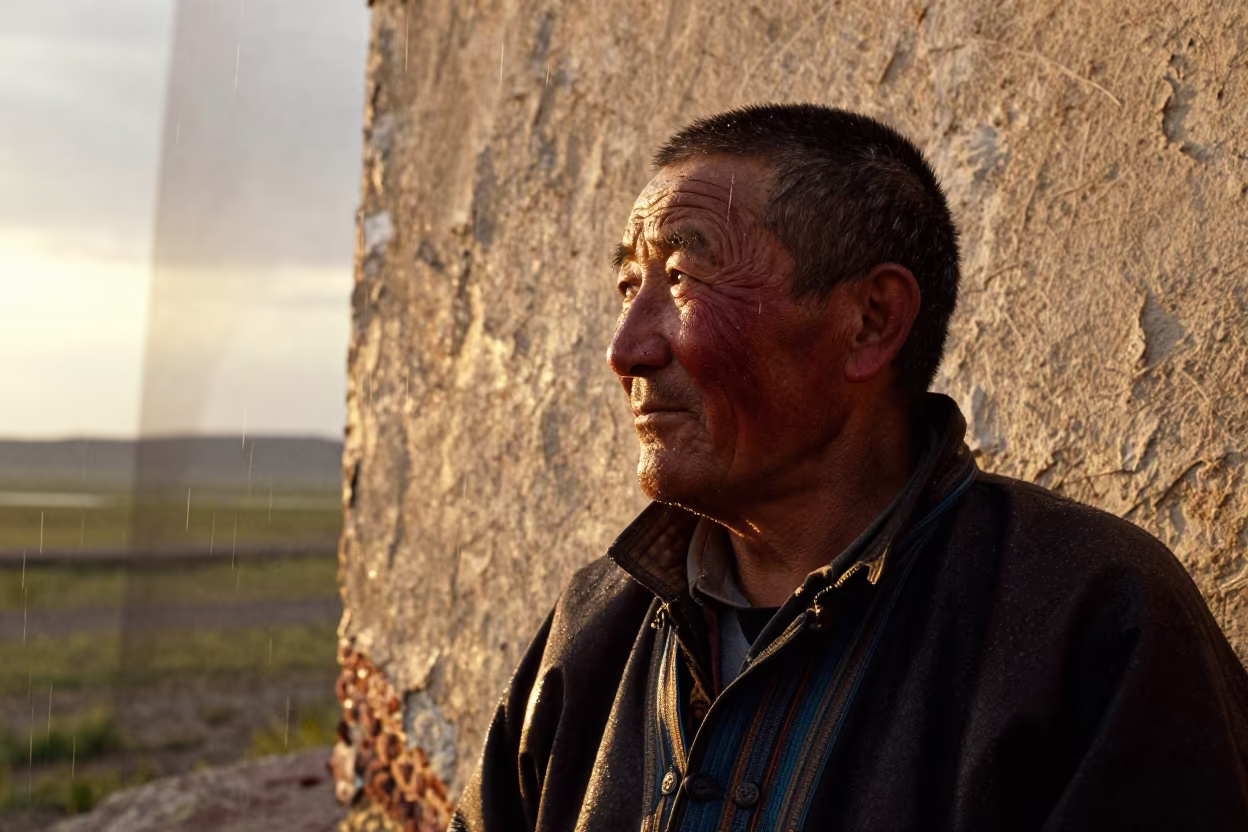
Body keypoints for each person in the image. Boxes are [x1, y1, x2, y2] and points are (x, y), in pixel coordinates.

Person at [451, 104, 1248, 831]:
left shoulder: (1090, 618)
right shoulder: (596, 626)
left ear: (870, 321)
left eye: (684, 279)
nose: (625, 350)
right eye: (630, 285)